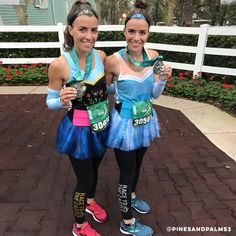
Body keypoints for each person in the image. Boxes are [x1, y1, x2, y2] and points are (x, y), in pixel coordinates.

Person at [105, 0, 172, 235]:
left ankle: (131, 198)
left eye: (142, 32)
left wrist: (162, 79)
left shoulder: (154, 57)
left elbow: (154, 93)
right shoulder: (113, 60)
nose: (136, 37)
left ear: (148, 33)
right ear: (124, 31)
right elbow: (104, 90)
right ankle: (127, 222)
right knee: (127, 172)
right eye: (131, 31)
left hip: (145, 120)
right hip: (123, 124)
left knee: (139, 164)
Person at [46, 1, 109, 236]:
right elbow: (50, 102)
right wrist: (61, 101)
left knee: (95, 171)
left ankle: (90, 202)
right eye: (83, 29)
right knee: (84, 178)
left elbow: (106, 89)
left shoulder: (101, 56)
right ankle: (79, 225)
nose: (89, 36)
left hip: (101, 126)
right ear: (70, 30)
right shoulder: (59, 65)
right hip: (78, 131)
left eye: (93, 30)